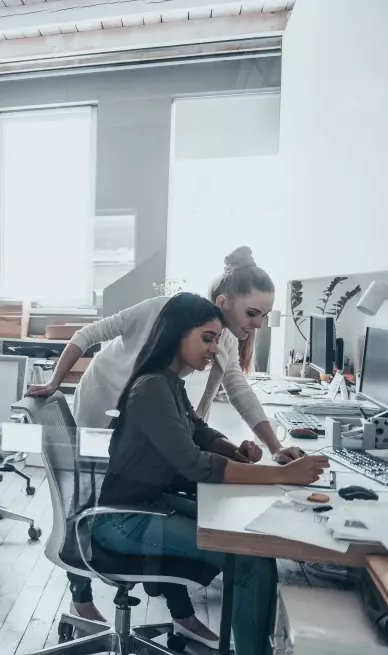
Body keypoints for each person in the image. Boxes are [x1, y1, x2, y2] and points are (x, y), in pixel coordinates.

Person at [28, 247, 303, 628]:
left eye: (264, 316)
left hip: (151, 420)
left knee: (166, 492)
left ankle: (179, 607)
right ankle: (83, 597)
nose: (257, 325)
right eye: (252, 313)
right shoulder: (166, 322)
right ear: (224, 302)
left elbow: (232, 393)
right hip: (104, 404)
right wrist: (55, 383)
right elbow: (88, 334)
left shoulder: (203, 351)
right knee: (86, 498)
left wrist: (272, 448)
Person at [90, 292, 328, 655]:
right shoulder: (151, 387)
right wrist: (282, 475)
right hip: (122, 520)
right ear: (176, 334)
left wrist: (237, 451)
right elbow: (195, 464)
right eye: (207, 338)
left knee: (252, 544)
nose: (215, 349)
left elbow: (199, 431)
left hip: (148, 506)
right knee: (247, 558)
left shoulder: (168, 383)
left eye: (216, 339)